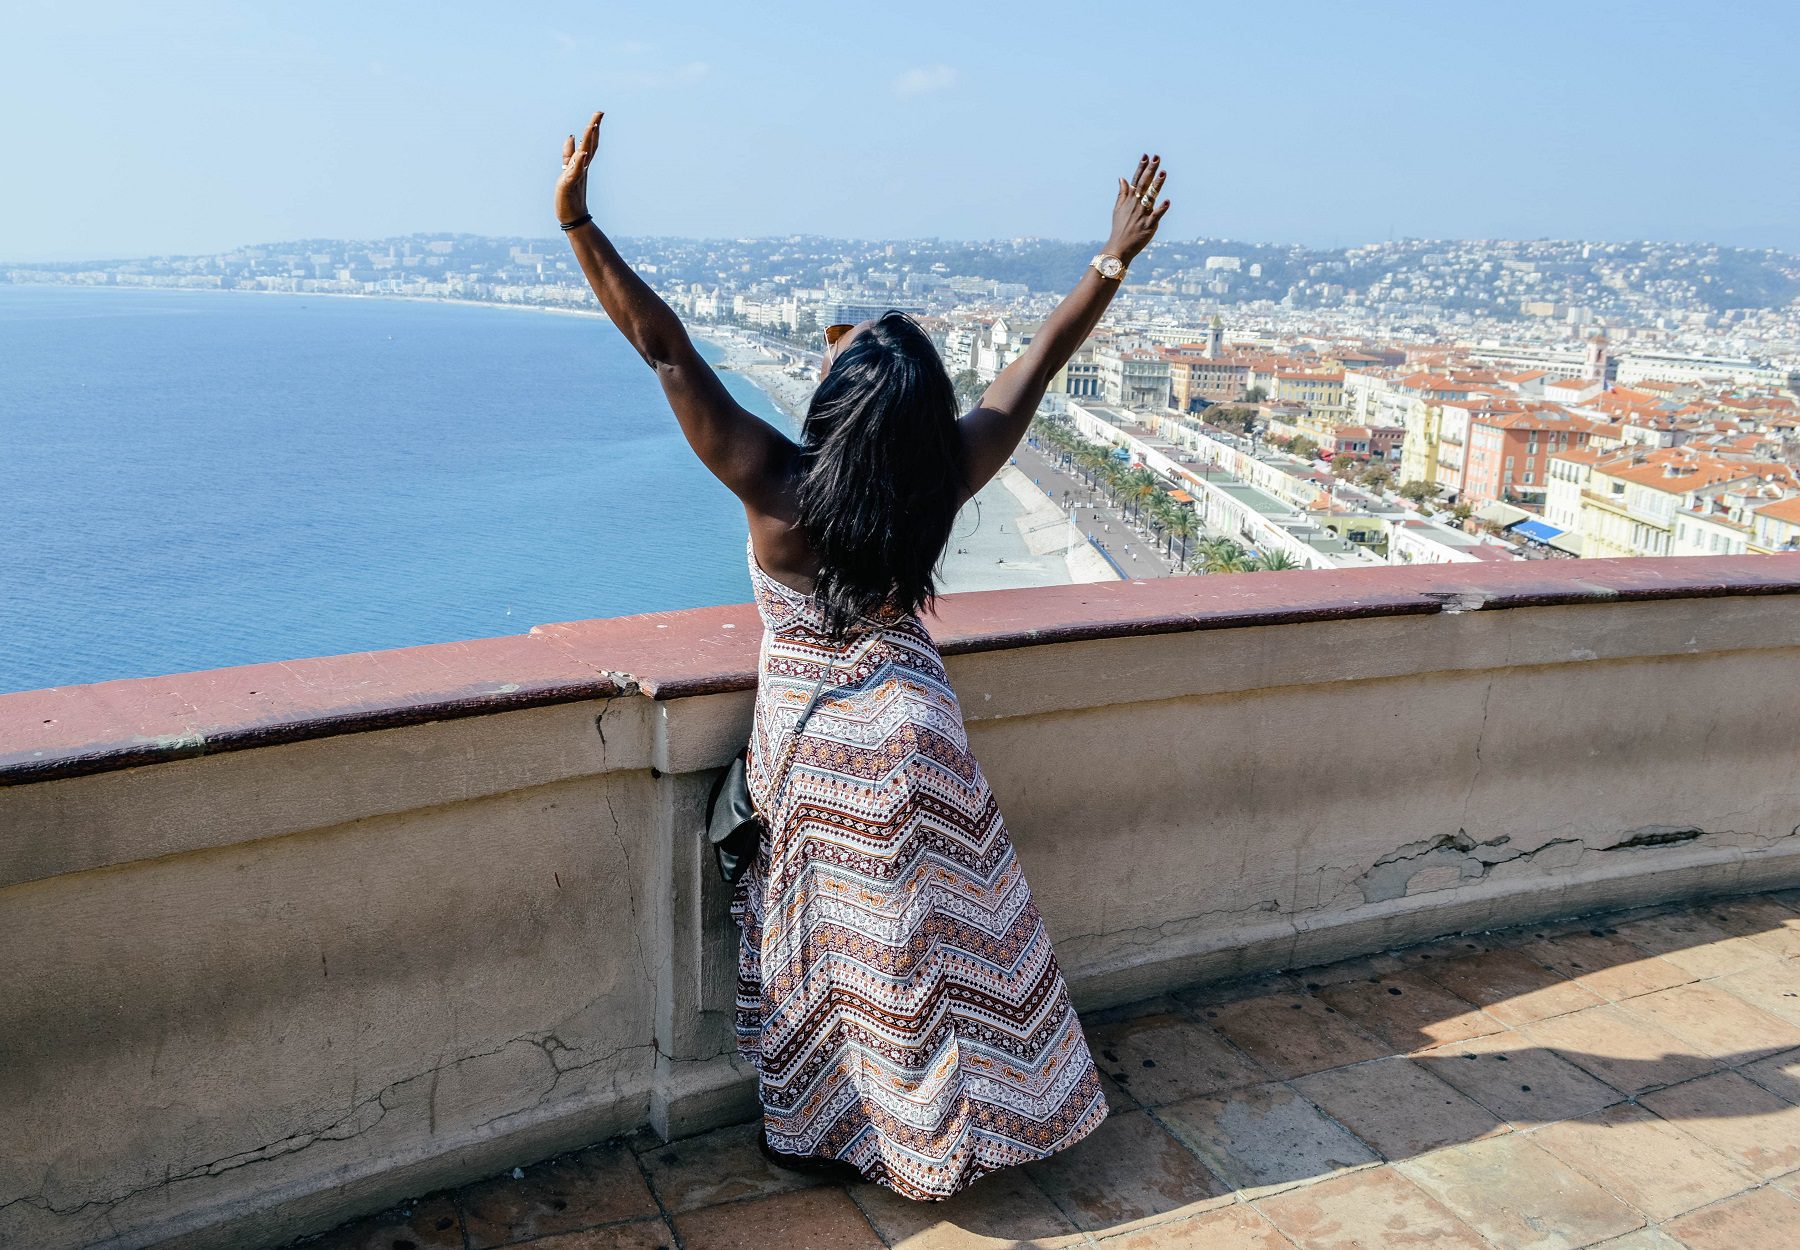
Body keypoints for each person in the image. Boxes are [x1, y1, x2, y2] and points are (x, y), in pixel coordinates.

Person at [554, 109, 1170, 1202]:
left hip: (820, 744)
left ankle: (817, 1134)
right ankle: (989, 1122)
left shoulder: (775, 486)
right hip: (923, 724)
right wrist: (1111, 257)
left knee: (826, 956)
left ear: (830, 409)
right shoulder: (949, 475)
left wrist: (579, 222)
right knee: (957, 947)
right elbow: (1035, 363)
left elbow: (665, 346)